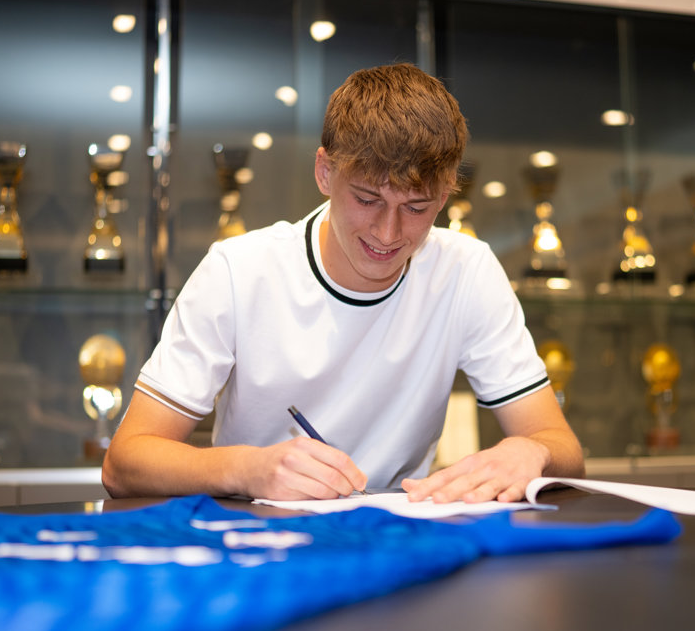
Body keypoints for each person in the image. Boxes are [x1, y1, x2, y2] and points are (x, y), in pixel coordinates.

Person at [102, 62, 583, 503]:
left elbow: (562, 447)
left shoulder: (466, 271)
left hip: (398, 539)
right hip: (257, 540)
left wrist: (531, 452)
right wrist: (248, 469)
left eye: (416, 207)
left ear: (445, 194)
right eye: (367, 200)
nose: (388, 233)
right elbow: (124, 463)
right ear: (325, 172)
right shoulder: (238, 271)